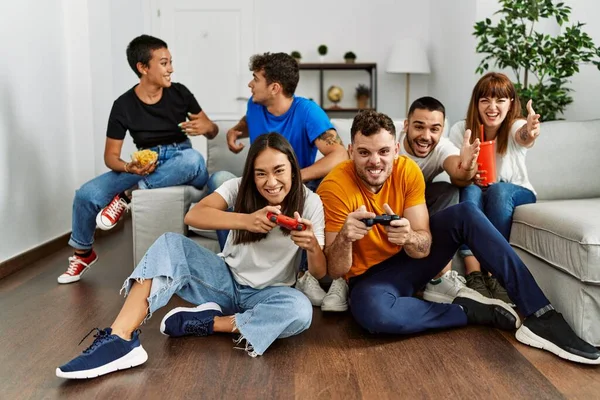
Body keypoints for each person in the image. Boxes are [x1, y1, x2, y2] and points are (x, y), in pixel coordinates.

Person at [317, 109, 600, 365]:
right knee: (375, 317)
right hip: (370, 278)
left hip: (410, 260)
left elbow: (423, 247)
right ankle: (469, 310)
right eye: (364, 153)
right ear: (351, 151)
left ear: (396, 150)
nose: (375, 162)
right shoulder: (334, 187)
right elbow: (337, 270)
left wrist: (409, 238)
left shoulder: (407, 171)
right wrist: (344, 238)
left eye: (383, 152)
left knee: (465, 212)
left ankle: (541, 315)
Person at [56, 133, 325, 379]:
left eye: (279, 171)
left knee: (300, 311)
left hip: (271, 295)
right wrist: (246, 221)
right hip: (223, 280)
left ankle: (211, 323)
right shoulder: (238, 187)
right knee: (170, 244)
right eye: (261, 174)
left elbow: (320, 273)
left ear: (292, 167)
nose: (271, 182)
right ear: (252, 175)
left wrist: (312, 245)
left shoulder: (311, 203)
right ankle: (121, 340)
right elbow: (193, 215)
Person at [59, 35, 218, 284]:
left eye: (170, 62)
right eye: (164, 63)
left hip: (182, 159)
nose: (171, 69)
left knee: (192, 160)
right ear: (143, 68)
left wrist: (208, 127)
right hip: (146, 164)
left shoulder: (180, 93)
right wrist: (128, 167)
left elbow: (212, 131)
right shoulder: (123, 105)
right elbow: (110, 157)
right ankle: (83, 254)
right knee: (86, 194)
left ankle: (126, 196)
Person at [213, 52, 349, 311]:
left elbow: (340, 155)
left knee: (321, 193)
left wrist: (297, 177)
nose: (250, 84)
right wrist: (235, 131)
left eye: (255, 79)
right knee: (219, 178)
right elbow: (247, 121)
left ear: (274, 87)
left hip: (295, 189)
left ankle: (302, 275)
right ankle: (234, 268)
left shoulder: (307, 112)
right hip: (256, 188)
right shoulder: (255, 105)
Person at [449, 72, 540, 302]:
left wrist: (529, 131)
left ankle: (496, 274)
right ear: (476, 103)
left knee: (498, 191)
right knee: (470, 191)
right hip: (478, 191)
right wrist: (468, 173)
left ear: (510, 104)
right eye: (485, 100)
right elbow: (455, 173)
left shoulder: (514, 126)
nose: (492, 107)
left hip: (515, 192)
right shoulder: (462, 130)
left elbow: (523, 136)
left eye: (500, 100)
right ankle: (474, 275)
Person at [398, 96, 480, 304]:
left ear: (441, 130)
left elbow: (459, 172)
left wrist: (468, 165)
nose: (426, 136)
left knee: (449, 190)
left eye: (434, 129)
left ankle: (441, 278)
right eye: (419, 127)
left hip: (417, 203)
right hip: (386, 202)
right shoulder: (391, 140)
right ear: (406, 125)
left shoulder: (442, 147)